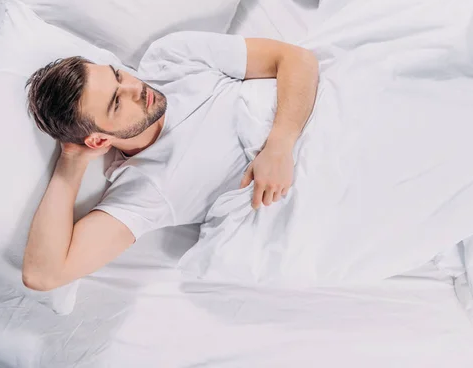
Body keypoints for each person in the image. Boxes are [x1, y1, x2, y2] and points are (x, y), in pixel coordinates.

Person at [21, 31, 319, 291]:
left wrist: (279, 145)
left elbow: (296, 59)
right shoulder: (142, 191)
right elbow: (43, 275)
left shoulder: (172, 57)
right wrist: (70, 161)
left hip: (316, 117)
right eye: (117, 102)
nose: (135, 88)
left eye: (118, 75)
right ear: (99, 140)